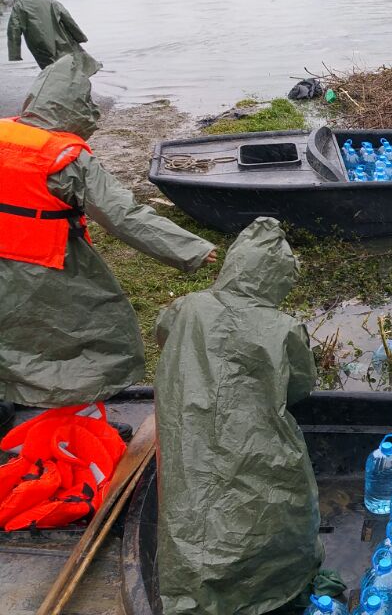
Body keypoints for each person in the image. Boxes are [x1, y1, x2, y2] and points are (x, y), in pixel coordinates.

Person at [0, 55, 216, 408]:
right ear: (74, 107)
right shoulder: (65, 159)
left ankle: (10, 402)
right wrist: (189, 248)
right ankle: (73, 413)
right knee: (97, 336)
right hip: (43, 262)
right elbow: (123, 215)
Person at [154, 217, 324, 615]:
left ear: (234, 264)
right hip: (255, 439)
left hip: (189, 426)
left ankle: (196, 591)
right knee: (273, 497)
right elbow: (299, 387)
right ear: (280, 279)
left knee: (191, 498)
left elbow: (165, 339)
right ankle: (266, 586)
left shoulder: (186, 307)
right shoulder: (283, 327)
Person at [7, 0, 101, 75]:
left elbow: (13, 30)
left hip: (39, 45)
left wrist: (14, 54)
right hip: (62, 41)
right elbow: (68, 21)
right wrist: (79, 37)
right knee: (72, 66)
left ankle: (61, 88)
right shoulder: (51, 2)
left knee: (50, 71)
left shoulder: (19, 7)